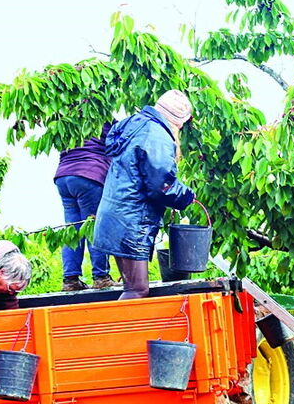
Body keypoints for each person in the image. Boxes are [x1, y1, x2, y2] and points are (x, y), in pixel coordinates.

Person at [92, 90, 195, 300]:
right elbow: (161, 184)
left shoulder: (134, 125)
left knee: (131, 287)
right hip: (132, 220)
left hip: (115, 215)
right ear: (178, 120)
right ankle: (120, 333)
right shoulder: (157, 135)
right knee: (136, 290)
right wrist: (185, 196)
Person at [54, 121, 116, 291]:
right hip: (90, 174)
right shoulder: (102, 117)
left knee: (72, 230)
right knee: (94, 226)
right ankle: (101, 277)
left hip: (63, 176)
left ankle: (70, 280)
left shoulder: (66, 117)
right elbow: (119, 142)